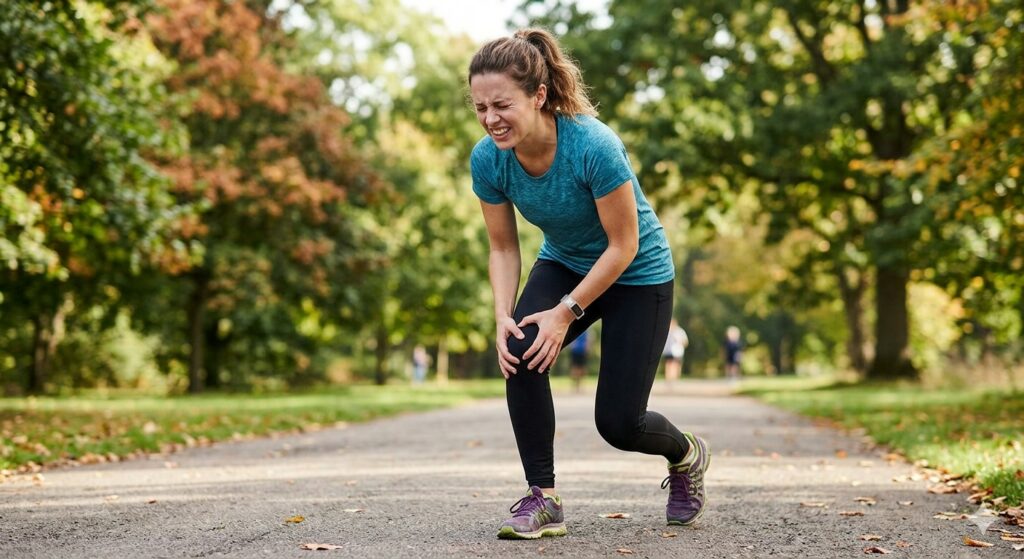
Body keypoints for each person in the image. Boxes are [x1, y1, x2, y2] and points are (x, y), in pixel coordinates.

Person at [468, 28, 710, 540]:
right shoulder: (488, 159)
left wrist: (565, 312)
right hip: (565, 261)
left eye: (502, 105)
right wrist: (502, 316)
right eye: (480, 107)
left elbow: (623, 246)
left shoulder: (592, 146)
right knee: (522, 351)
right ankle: (543, 496)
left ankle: (685, 454)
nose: (491, 119)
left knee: (620, 424)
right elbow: (503, 247)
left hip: (637, 273)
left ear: (537, 95)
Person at [662, 318, 689, 390]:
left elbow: (685, 342)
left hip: (677, 352)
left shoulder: (680, 331)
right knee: (668, 365)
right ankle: (669, 381)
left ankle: (674, 380)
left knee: (675, 366)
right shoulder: (667, 331)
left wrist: (680, 342)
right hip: (668, 351)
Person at [567, 328, 589, 393]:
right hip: (576, 350)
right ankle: (576, 386)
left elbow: (588, 339)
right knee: (576, 368)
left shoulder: (584, 329)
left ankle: (578, 386)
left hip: (581, 350)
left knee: (580, 368)